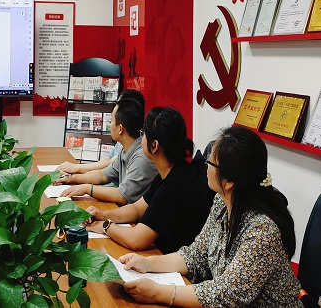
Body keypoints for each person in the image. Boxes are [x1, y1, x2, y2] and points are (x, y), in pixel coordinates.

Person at [119, 126, 302, 308]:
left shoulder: (262, 230)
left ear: (229, 181)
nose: (205, 165)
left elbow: (227, 295)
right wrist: (146, 263)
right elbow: (195, 255)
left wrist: (158, 293)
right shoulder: (222, 202)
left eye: (211, 162)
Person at [84, 107, 211, 254]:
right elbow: (137, 209)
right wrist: (102, 215)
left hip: (167, 259)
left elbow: (137, 239)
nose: (141, 138)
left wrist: (105, 226)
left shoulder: (177, 184)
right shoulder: (170, 171)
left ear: (154, 145)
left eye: (143, 134)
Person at [58, 97, 157, 205]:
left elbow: (122, 196)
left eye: (111, 121)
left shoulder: (141, 158)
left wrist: (87, 189)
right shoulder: (126, 149)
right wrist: (70, 179)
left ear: (120, 129)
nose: (110, 125)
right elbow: (102, 175)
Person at [57, 89, 145, 177]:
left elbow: (108, 166)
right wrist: (73, 174)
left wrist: (77, 168)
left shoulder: (133, 147)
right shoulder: (123, 140)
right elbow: (106, 164)